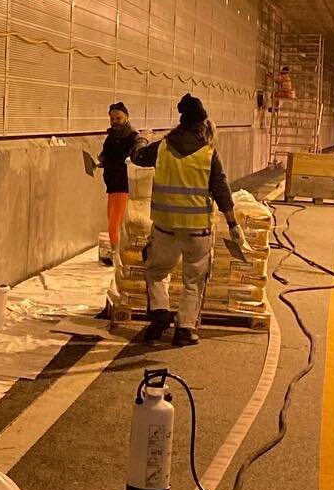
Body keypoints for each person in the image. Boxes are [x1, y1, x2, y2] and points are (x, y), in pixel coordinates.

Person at [130, 94, 243, 347]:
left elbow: (137, 157)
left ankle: (159, 313)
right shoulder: (209, 153)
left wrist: (141, 139)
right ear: (202, 124)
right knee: (194, 279)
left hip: (165, 227)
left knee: (156, 271)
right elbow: (221, 188)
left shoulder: (162, 147)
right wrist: (233, 224)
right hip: (198, 232)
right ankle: (185, 329)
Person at [98, 101, 143, 259]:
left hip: (123, 185)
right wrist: (101, 160)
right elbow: (106, 154)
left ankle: (117, 254)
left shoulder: (133, 137)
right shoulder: (111, 137)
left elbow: (139, 151)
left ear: (127, 117)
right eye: (112, 118)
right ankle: (117, 252)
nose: (115, 121)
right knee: (113, 221)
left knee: (115, 224)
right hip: (112, 184)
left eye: (118, 118)